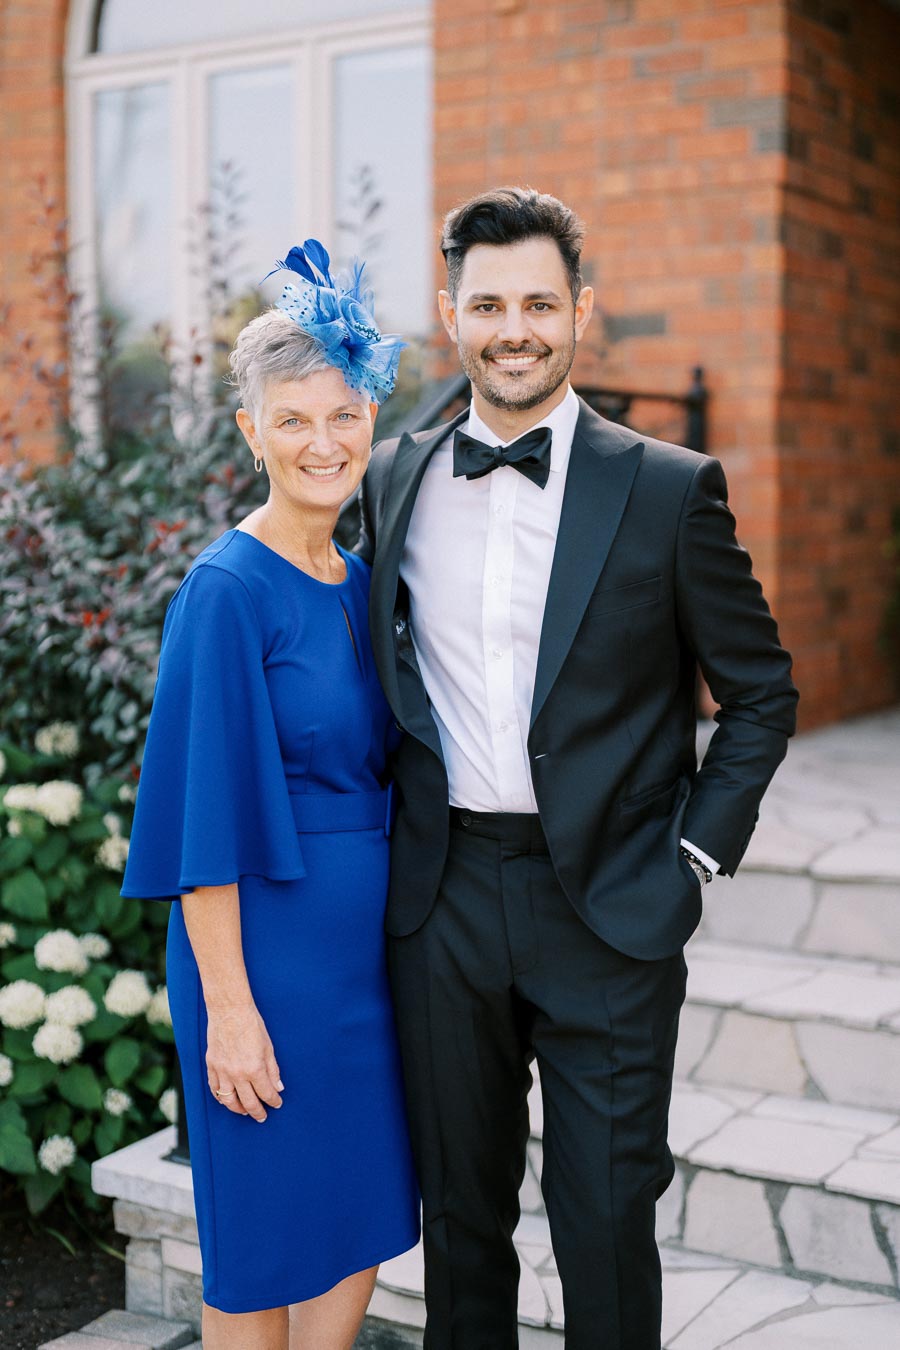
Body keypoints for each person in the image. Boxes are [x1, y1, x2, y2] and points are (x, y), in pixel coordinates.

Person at [357, 187, 798, 1349]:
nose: (516, 328)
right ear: (450, 314)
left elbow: (761, 694)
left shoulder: (667, 489)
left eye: (540, 304)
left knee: (604, 1222)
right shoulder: (392, 477)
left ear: (581, 313)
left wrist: (694, 856)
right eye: (489, 303)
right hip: (443, 900)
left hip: (610, 903)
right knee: (459, 1221)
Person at [121, 241, 419, 1350]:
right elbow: (204, 826)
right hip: (263, 965)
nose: (322, 442)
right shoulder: (226, 592)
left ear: (370, 425)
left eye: (343, 416)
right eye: (292, 419)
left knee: (364, 1213)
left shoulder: (361, 581)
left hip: (369, 966)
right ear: (252, 432)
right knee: (256, 1247)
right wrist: (231, 1011)